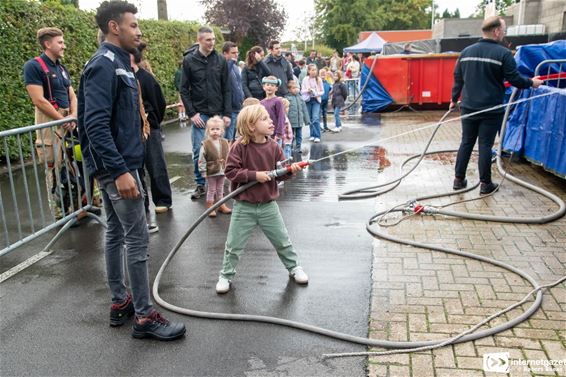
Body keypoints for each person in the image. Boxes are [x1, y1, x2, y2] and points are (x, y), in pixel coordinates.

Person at [77, 0, 185, 340]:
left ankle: (120, 302)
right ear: (114, 27)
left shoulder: (121, 63)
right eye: (133, 25)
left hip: (121, 164)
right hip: (119, 168)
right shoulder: (103, 66)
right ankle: (143, 316)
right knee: (136, 239)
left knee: (114, 234)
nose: (139, 31)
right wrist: (120, 171)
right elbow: (93, 125)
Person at [215, 104, 309, 294]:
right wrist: (254, 175)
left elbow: (280, 173)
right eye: (265, 119)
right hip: (244, 206)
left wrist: (291, 171)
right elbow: (230, 172)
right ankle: (226, 275)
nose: (271, 121)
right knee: (234, 245)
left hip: (268, 206)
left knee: (282, 241)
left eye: (269, 118)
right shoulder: (239, 147)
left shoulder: (274, 146)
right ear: (251, 126)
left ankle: (294, 268)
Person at [451, 15, 543, 195]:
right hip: (491, 109)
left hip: (468, 107)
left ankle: (458, 180)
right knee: (485, 145)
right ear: (496, 31)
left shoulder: (466, 52)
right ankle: (485, 184)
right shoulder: (503, 54)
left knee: (466, 142)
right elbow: (514, 79)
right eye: (504, 30)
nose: (504, 33)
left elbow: (457, 78)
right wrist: (532, 82)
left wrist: (454, 99)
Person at [23, 27, 78, 220]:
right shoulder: (34, 66)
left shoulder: (61, 68)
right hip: (49, 121)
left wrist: (73, 115)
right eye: (60, 42)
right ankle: (60, 212)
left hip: (66, 120)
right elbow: (38, 100)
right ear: (47, 44)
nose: (64, 45)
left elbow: (72, 94)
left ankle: (80, 206)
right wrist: (60, 119)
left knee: (74, 163)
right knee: (53, 166)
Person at [180, 26, 231, 200]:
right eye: (208, 40)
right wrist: (192, 113)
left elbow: (227, 88)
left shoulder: (220, 60)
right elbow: (184, 90)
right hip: (200, 114)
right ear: (199, 40)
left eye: (214, 39)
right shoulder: (189, 61)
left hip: (217, 114)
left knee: (221, 151)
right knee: (198, 151)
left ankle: (219, 184)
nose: (212, 43)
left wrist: (227, 114)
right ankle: (201, 185)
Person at [132, 46, 172, 217]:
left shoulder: (146, 78)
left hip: (150, 128)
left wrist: (153, 121)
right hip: (131, 130)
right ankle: (142, 202)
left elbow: (159, 103)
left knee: (156, 164)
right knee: (136, 169)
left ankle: (163, 200)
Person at [198, 116, 232, 217]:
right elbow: (201, 159)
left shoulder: (225, 142)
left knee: (220, 189)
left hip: (222, 170)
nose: (215, 131)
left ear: (221, 130)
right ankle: (210, 207)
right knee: (212, 189)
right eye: (212, 129)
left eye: (217, 129)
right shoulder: (206, 144)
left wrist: (229, 168)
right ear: (208, 131)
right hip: (211, 171)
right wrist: (203, 171)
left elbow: (229, 156)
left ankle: (221, 205)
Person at [222, 41, 244, 143]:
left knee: (236, 138)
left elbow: (239, 86)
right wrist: (230, 62)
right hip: (229, 109)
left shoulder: (235, 67)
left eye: (237, 52)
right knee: (228, 139)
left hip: (238, 107)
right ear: (225, 54)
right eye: (233, 53)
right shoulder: (223, 66)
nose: (236, 55)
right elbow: (223, 78)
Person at [301, 64, 324, 143]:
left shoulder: (319, 80)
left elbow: (322, 92)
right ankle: (312, 134)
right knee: (310, 118)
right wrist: (308, 90)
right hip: (308, 100)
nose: (314, 71)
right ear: (308, 71)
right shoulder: (305, 79)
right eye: (312, 70)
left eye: (315, 70)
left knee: (315, 117)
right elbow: (302, 91)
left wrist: (316, 93)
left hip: (316, 100)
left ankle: (317, 135)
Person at [260, 76, 286, 146]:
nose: (269, 87)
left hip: (275, 135)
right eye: (267, 85)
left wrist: (279, 134)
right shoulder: (261, 103)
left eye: (272, 85)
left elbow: (281, 118)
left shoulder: (277, 101)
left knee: (275, 155)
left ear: (276, 88)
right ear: (263, 87)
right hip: (264, 134)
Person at [284, 80, 310, 153]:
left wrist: (307, 120)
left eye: (296, 87)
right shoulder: (287, 98)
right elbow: (285, 111)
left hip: (299, 121)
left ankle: (298, 147)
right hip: (291, 122)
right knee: (290, 135)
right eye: (293, 88)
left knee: (299, 135)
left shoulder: (300, 98)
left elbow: (304, 109)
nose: (296, 89)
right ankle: (290, 147)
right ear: (289, 89)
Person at [319, 68, 332, 133]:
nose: (323, 75)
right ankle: (319, 127)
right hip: (320, 100)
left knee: (324, 113)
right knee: (319, 114)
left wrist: (328, 94)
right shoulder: (318, 82)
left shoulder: (327, 82)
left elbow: (331, 89)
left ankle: (325, 126)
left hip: (325, 100)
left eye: (324, 73)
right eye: (322, 74)